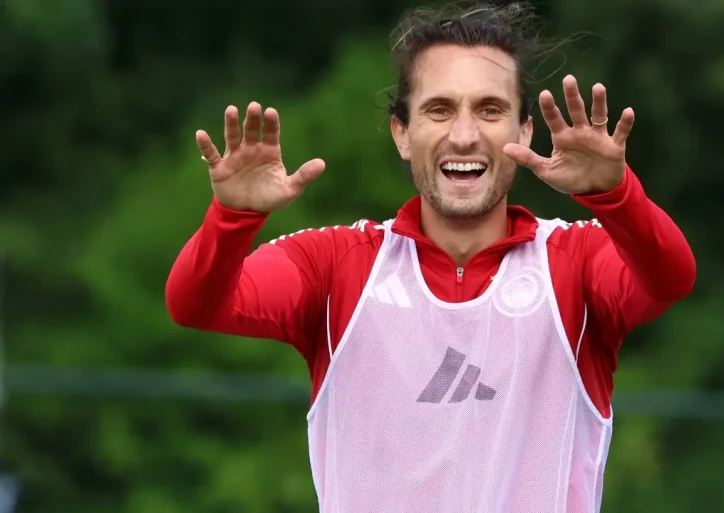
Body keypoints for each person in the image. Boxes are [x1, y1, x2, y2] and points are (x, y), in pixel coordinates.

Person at [166, 2, 696, 511]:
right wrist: (233, 218)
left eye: (490, 110)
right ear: (403, 133)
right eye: (439, 110)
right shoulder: (336, 263)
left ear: (524, 131)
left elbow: (670, 278)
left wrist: (615, 196)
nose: (464, 136)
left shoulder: (573, 260)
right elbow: (195, 305)